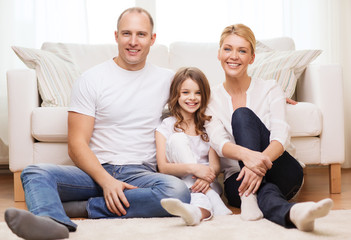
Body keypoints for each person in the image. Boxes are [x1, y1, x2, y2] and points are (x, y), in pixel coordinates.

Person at [5, 7, 190, 240]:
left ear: (152, 39)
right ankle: (49, 223)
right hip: (95, 171)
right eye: (126, 34)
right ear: (116, 36)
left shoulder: (168, 79)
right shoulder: (91, 79)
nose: (133, 42)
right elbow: (76, 144)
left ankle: (80, 209)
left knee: (178, 192)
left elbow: (199, 107)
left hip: (141, 175)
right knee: (35, 172)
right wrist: (107, 181)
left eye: (141, 34)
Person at [205, 23, 333, 231]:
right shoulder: (210, 97)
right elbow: (219, 142)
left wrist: (255, 166)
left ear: (252, 58)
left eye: (242, 51)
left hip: (282, 172)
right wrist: (250, 160)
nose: (234, 56)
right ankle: (292, 213)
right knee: (262, 190)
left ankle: (250, 194)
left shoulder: (271, 88)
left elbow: (280, 137)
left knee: (242, 115)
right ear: (219, 53)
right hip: (237, 181)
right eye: (228, 49)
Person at [155, 67, 232, 226]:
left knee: (199, 195)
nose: (192, 98)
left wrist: (205, 178)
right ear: (176, 95)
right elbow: (162, 167)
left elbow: (215, 166)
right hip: (183, 183)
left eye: (198, 93)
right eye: (185, 92)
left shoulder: (209, 125)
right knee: (177, 139)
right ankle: (208, 203)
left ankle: (197, 210)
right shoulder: (166, 126)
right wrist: (194, 169)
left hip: (208, 181)